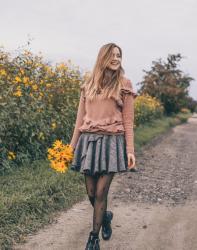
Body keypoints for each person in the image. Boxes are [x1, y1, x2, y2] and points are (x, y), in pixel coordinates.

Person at [69, 42, 136, 250]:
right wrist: (71, 147)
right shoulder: (89, 83)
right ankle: (105, 217)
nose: (116, 58)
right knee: (90, 192)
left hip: (112, 142)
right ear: (103, 57)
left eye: (119, 55)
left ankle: (93, 238)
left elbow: (128, 121)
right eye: (113, 55)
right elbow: (80, 118)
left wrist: (130, 150)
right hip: (88, 141)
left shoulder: (124, 84)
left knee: (100, 193)